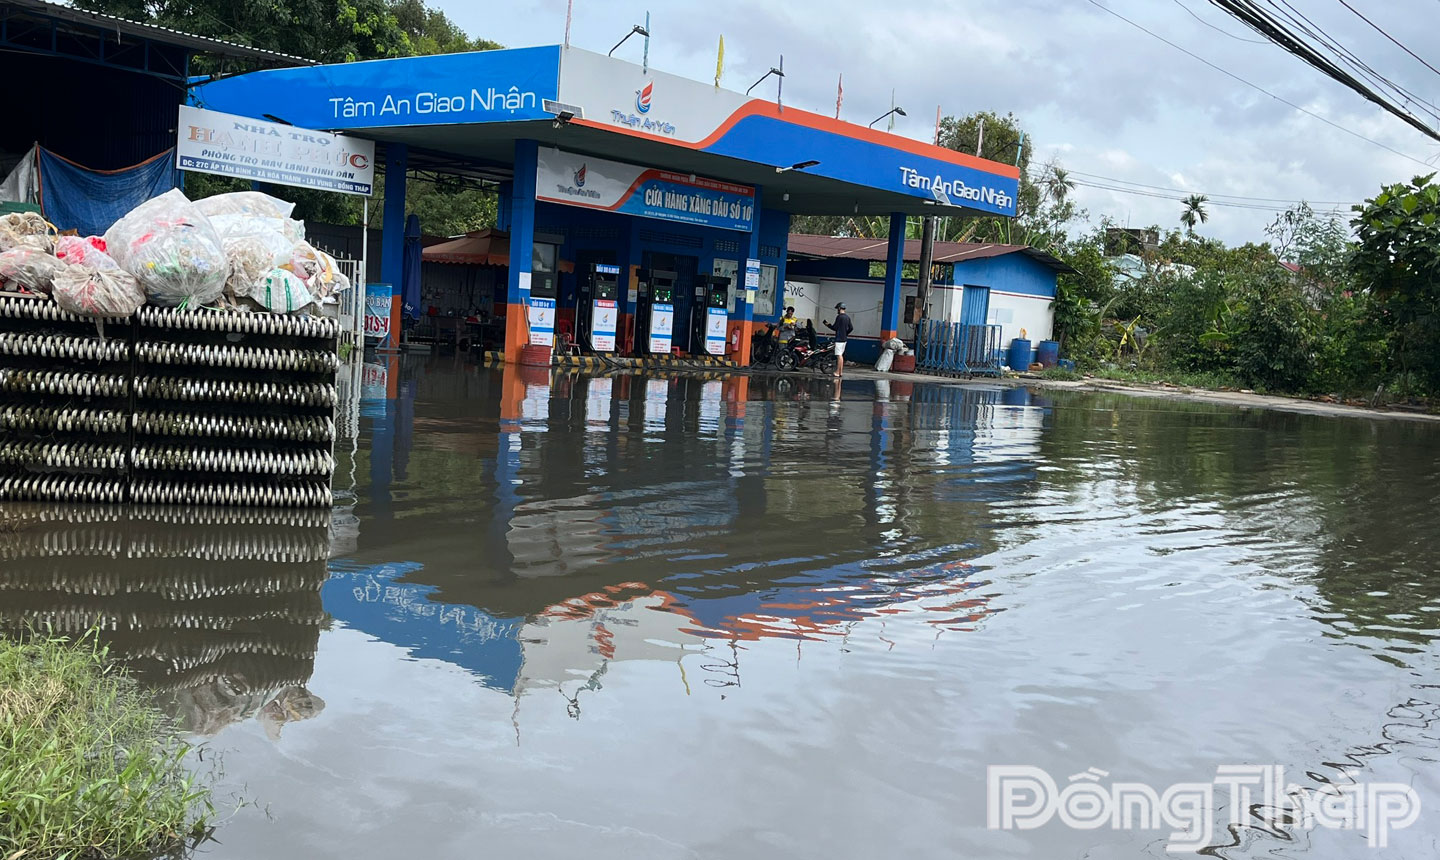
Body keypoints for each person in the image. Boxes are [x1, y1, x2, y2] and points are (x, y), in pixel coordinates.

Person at [824, 302, 853, 379]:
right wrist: (846, 333)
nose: (837, 310)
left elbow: (835, 328)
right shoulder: (847, 317)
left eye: (837, 308)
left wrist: (828, 325)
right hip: (844, 339)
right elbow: (851, 328)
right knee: (841, 355)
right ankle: (840, 372)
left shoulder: (839, 317)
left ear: (840, 308)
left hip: (839, 339)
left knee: (839, 355)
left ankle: (837, 372)